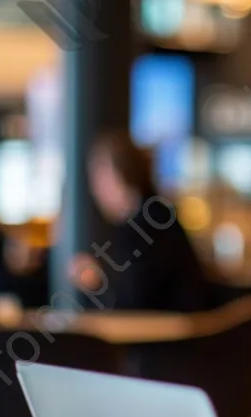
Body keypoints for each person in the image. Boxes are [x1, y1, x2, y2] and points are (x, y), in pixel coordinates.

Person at [69, 132, 214, 312]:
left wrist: (97, 282)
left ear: (121, 175)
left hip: (173, 335)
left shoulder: (150, 223)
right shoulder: (150, 217)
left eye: (100, 179)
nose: (95, 191)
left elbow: (136, 304)